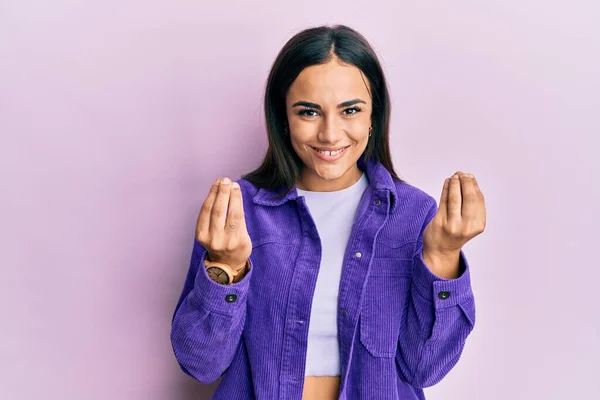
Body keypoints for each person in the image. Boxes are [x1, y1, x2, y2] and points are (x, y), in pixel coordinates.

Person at [170, 24, 486, 400]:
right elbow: (201, 364)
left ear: (374, 116)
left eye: (350, 110)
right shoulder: (239, 213)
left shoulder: (415, 215)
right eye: (309, 112)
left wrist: (443, 256)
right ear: (283, 118)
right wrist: (226, 266)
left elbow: (425, 368)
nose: (330, 134)